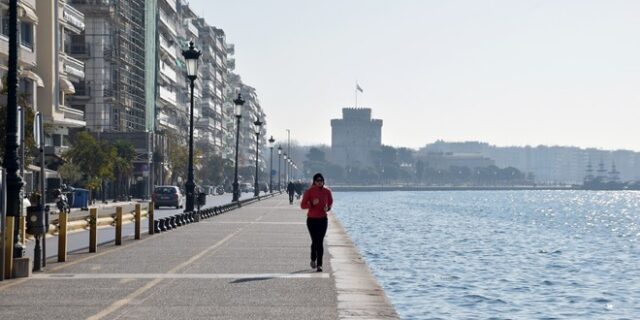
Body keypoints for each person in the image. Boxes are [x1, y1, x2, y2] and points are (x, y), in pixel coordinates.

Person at [300, 173, 333, 272]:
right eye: (318, 180)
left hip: (323, 219)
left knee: (320, 241)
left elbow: (331, 202)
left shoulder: (327, 191)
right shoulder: (309, 191)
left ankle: (320, 265)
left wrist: (328, 208)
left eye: (321, 180)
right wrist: (311, 204)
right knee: (315, 241)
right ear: (314, 181)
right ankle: (313, 259)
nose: (320, 182)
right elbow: (302, 205)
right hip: (312, 220)